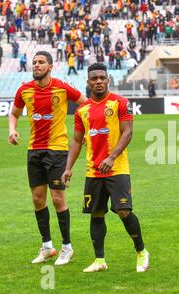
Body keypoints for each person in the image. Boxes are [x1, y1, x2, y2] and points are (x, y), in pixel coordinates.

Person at [61, 63, 150, 273]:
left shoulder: (120, 103)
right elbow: (76, 140)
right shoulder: (82, 110)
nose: (98, 81)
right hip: (93, 170)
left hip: (117, 168)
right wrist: (68, 168)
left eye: (102, 77)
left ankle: (141, 252)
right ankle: (100, 260)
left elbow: (127, 132)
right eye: (94, 78)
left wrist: (112, 157)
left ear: (108, 80)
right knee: (96, 213)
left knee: (124, 210)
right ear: (88, 82)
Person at [8, 51, 87, 266]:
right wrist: (12, 130)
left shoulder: (62, 87)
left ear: (50, 67)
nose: (36, 65)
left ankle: (67, 247)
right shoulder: (24, 90)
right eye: (34, 62)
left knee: (58, 199)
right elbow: (14, 113)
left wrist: (85, 130)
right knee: (37, 199)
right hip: (34, 151)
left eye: (41, 62)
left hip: (57, 150)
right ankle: (47, 246)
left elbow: (86, 104)